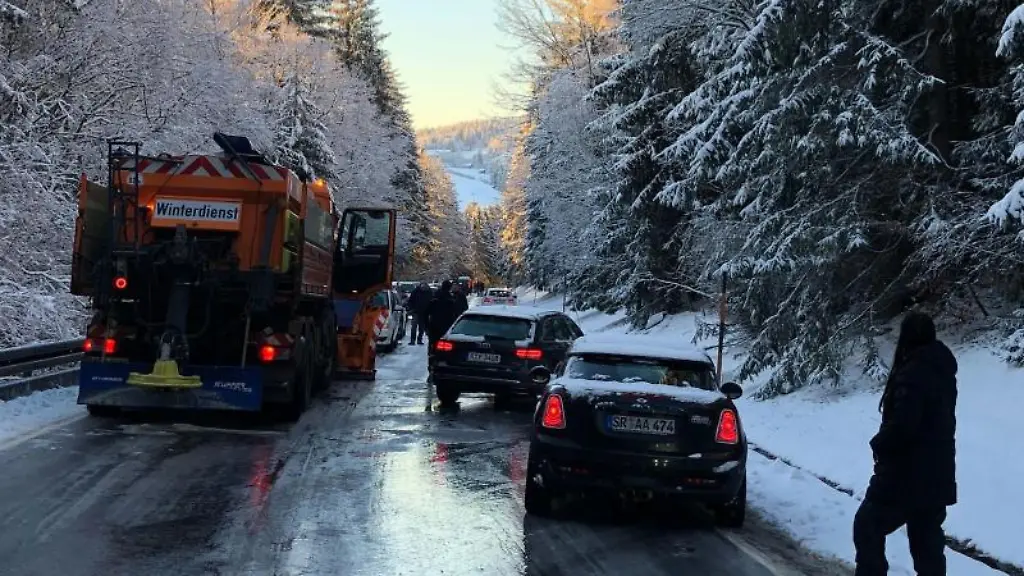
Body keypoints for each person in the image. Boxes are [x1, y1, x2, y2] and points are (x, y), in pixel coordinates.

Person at [853, 311, 957, 576]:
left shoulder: (912, 374)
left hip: (904, 475)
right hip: (938, 474)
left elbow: (904, 426)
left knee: (867, 526)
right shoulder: (943, 372)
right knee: (927, 546)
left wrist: (880, 443)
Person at [426, 280, 461, 355]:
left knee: (433, 342)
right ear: (449, 287)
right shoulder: (450, 299)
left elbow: (427, 311)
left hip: (434, 324)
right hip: (446, 325)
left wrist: (427, 325)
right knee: (444, 344)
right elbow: (456, 312)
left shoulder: (435, 297)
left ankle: (432, 355)